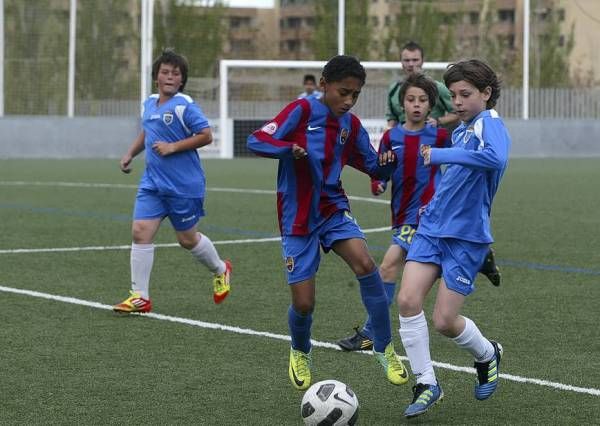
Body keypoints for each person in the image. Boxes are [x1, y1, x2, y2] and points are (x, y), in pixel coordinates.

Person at [247, 55, 408, 391]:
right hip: (297, 216)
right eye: (343, 92)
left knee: (366, 263)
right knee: (304, 303)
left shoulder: (350, 125)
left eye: (355, 95)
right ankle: (300, 350)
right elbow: (257, 140)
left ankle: (383, 346)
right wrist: (287, 148)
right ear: (324, 85)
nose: (348, 101)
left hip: (333, 208)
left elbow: (372, 167)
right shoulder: (301, 111)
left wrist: (388, 164)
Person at [337, 73, 502, 352]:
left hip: (425, 214)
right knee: (414, 272)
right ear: (402, 104)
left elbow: (462, 168)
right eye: (411, 99)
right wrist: (378, 182)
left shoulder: (439, 135)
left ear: (430, 105)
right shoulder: (392, 136)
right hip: (401, 211)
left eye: (422, 100)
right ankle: (480, 256)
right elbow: (381, 172)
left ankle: (371, 331)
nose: (416, 105)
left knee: (389, 265)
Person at [397, 59, 511, 418]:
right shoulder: (462, 130)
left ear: (486, 93)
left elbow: (496, 157)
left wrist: (441, 154)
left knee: (445, 321)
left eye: (465, 94)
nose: (457, 102)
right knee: (406, 300)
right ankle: (426, 383)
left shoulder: (489, 124)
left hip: (466, 237)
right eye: (454, 95)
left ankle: (487, 354)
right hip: (432, 229)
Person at [113, 49, 232, 314]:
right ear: (156, 77)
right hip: (153, 183)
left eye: (175, 73)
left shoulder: (184, 105)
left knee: (187, 240)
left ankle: (221, 269)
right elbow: (148, 131)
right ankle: (140, 296)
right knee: (140, 231)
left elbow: (205, 135)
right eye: (165, 72)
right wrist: (130, 153)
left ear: (181, 80)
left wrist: (173, 147)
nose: (169, 76)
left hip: (183, 185)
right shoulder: (149, 103)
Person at [386, 41, 458, 130]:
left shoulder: (437, 87)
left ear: (423, 61)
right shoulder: (394, 89)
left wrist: (438, 121)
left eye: (415, 60)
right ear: (401, 62)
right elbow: (392, 118)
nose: (411, 64)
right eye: (407, 60)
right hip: (404, 140)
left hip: (432, 140)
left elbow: (456, 113)